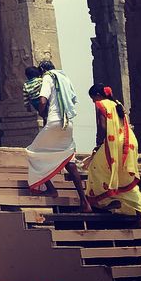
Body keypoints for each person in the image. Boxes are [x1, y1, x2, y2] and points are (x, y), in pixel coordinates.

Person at [23, 61, 90, 210]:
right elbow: (73, 99)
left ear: (42, 70)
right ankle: (84, 201)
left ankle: (51, 189)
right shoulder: (65, 78)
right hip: (68, 124)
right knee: (69, 161)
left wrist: (41, 112)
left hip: (54, 121)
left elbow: (42, 99)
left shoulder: (48, 77)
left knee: (33, 153)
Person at [83, 84, 141, 222]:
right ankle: (140, 217)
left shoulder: (102, 104)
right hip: (128, 143)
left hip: (114, 144)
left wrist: (99, 144)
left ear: (98, 96)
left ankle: (104, 200)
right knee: (125, 177)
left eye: (93, 98)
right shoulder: (117, 104)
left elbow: (102, 126)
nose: (94, 101)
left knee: (95, 167)